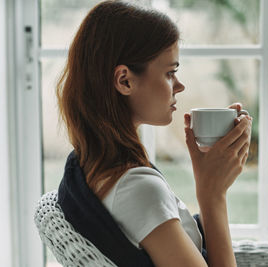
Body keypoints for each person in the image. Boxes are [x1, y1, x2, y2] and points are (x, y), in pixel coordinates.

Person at [56, 1, 253, 266]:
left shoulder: (91, 163)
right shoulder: (138, 190)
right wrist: (212, 194)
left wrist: (206, 176)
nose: (179, 86)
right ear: (124, 80)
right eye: (170, 73)